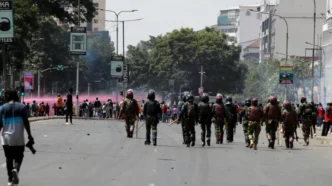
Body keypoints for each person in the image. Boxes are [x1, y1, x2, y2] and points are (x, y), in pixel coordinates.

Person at [0, 90, 34, 186]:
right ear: (16, 97)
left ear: (8, 97)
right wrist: (29, 135)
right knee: (19, 156)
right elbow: (26, 122)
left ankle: (10, 180)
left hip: (6, 138)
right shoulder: (22, 107)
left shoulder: (2, 108)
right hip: (18, 137)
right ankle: (16, 169)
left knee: (8, 159)